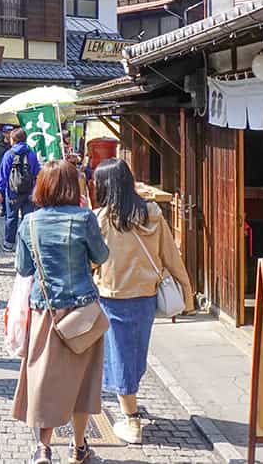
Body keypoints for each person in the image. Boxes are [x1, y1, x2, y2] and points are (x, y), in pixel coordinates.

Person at [91, 159, 195, 445]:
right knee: (135, 352)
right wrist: (186, 292)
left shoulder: (102, 219)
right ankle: (130, 402)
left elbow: (92, 259)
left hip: (114, 295)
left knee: (121, 355)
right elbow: (169, 254)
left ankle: (131, 419)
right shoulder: (152, 213)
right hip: (146, 295)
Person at [12, 161, 110, 464]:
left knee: (43, 378)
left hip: (45, 312)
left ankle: (43, 447)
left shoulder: (28, 222)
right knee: (84, 380)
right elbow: (102, 255)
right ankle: (79, 447)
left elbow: (23, 268)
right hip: (83, 312)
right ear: (73, 186)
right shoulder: (84, 218)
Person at [0, 127, 41, 253]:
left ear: (14, 140)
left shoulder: (9, 154)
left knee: (11, 217)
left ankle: (9, 243)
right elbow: (36, 172)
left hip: (13, 191)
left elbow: (3, 174)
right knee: (27, 217)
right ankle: (27, 243)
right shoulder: (31, 153)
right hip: (29, 191)